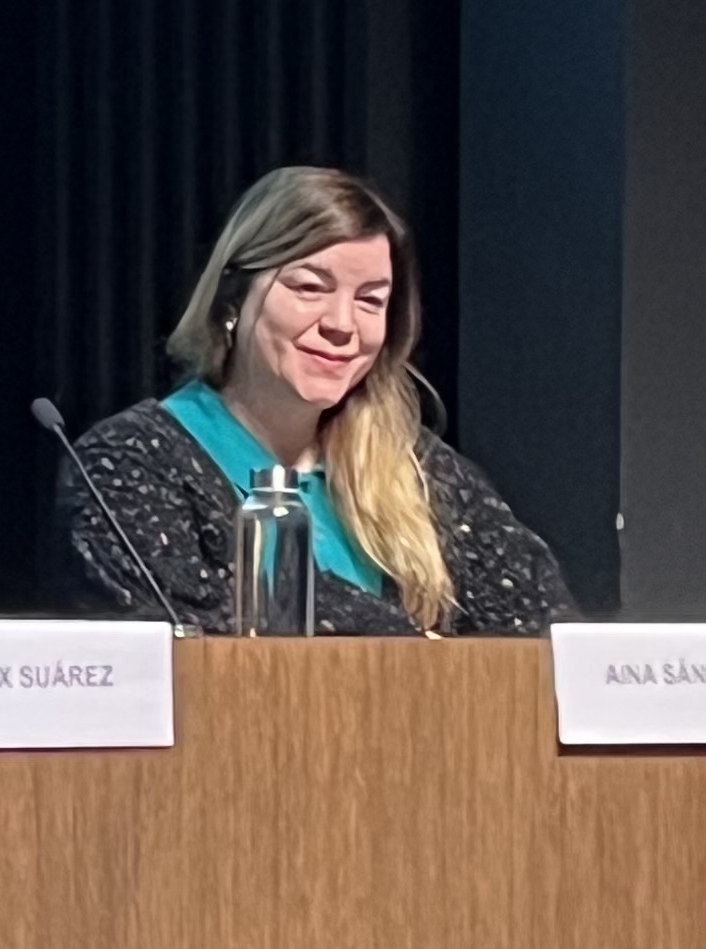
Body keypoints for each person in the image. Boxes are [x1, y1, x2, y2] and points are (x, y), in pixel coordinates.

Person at [54, 166, 571, 634]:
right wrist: (416, 644)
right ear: (233, 298)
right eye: (309, 288)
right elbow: (190, 641)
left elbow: (549, 635)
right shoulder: (129, 462)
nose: (342, 325)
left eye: (370, 300)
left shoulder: (418, 467)